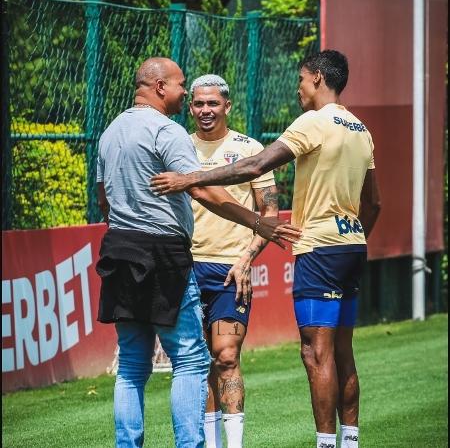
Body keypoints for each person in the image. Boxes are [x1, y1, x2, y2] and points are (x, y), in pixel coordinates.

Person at [151, 50, 381, 448]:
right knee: (343, 351)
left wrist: (191, 177)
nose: (298, 88)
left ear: (319, 80)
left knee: (315, 353)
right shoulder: (361, 128)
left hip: (320, 249)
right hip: (351, 245)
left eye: (302, 79)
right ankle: (349, 441)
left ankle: (326, 444)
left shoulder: (313, 121)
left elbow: (255, 166)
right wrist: (354, 236)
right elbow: (373, 203)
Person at [96, 57, 301, 448]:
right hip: (164, 253)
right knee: (191, 361)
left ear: (226, 106)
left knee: (132, 367)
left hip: (119, 248)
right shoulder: (168, 132)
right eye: (180, 86)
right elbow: (203, 190)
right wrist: (258, 222)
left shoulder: (110, 132)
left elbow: (103, 199)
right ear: (159, 87)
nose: (184, 93)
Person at [188, 74, 280, 448]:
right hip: (186, 267)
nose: (205, 110)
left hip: (231, 269)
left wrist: (246, 258)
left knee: (226, 356)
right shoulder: (176, 146)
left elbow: (270, 214)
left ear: (227, 106)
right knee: (197, 363)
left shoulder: (249, 148)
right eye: (198, 103)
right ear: (190, 107)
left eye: (213, 103)